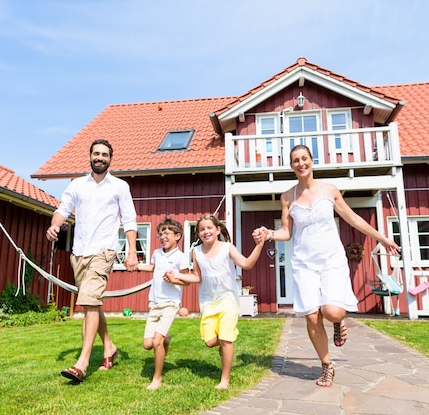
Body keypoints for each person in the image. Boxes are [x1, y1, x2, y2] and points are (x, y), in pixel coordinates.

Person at [253, 144, 399, 388]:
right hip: (303, 263)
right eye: (295, 160)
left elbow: (352, 218)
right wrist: (269, 233)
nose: (301, 164)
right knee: (311, 316)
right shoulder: (287, 197)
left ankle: (338, 323)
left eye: (304, 159)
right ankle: (327, 365)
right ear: (291, 166)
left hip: (331, 259)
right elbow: (287, 233)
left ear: (312, 161)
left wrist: (382, 238)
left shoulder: (330, 190)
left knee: (332, 312)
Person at [46, 139, 138, 383]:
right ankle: (108, 347)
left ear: (110, 159)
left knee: (87, 301)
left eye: (105, 154)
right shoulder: (77, 185)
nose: (100, 157)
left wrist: (131, 251)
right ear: (90, 156)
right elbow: (62, 210)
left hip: (104, 252)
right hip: (79, 252)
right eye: (96, 153)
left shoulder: (119, 187)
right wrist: (54, 226)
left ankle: (82, 363)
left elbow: (129, 220)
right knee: (93, 303)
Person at [165, 215, 267, 389]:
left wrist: (260, 245)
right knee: (210, 341)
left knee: (226, 340)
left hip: (228, 298)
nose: (206, 232)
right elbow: (197, 276)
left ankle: (224, 379)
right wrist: (176, 276)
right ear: (198, 233)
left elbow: (246, 264)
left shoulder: (227, 248)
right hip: (208, 302)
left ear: (218, 230)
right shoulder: (196, 251)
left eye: (209, 228)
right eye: (202, 229)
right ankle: (227, 338)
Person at [137, 217, 190, 390]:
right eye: (160, 234)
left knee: (156, 342)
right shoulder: (156, 253)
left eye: (167, 233)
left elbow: (187, 281)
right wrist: (136, 266)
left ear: (177, 236)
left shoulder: (181, 257)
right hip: (155, 302)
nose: (163, 236)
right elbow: (153, 268)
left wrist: (174, 279)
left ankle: (157, 379)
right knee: (147, 344)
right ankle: (166, 339)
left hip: (170, 303)